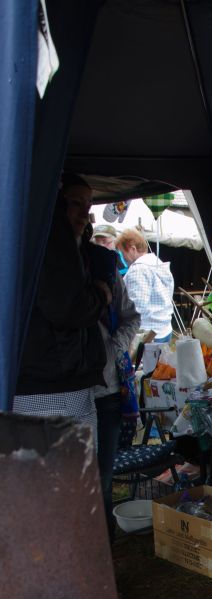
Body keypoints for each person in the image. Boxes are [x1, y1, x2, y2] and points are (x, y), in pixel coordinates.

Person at [12, 173, 110, 442]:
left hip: (43, 381)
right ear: (55, 204)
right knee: (66, 465)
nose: (84, 215)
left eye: (88, 206)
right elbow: (68, 308)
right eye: (76, 203)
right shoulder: (51, 242)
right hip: (52, 383)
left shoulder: (29, 241)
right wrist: (100, 296)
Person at [91, 224, 141, 540]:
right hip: (63, 392)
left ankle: (104, 548)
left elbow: (131, 317)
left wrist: (113, 347)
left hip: (106, 392)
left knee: (102, 480)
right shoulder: (45, 266)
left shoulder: (107, 270)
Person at [116, 228, 174, 343]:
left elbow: (137, 307)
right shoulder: (157, 263)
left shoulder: (139, 269)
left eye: (122, 252)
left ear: (132, 249)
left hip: (147, 334)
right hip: (164, 328)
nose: (122, 258)